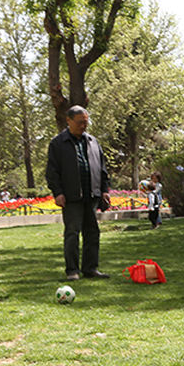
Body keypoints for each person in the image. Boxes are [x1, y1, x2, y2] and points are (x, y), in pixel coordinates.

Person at [45, 105, 112, 281]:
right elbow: (52, 172)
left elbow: (103, 170)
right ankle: (72, 271)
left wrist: (105, 190)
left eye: (86, 122)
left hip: (92, 196)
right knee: (72, 234)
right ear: (69, 121)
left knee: (92, 233)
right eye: (80, 122)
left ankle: (90, 268)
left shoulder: (93, 142)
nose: (84, 125)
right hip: (71, 197)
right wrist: (58, 193)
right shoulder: (58, 143)